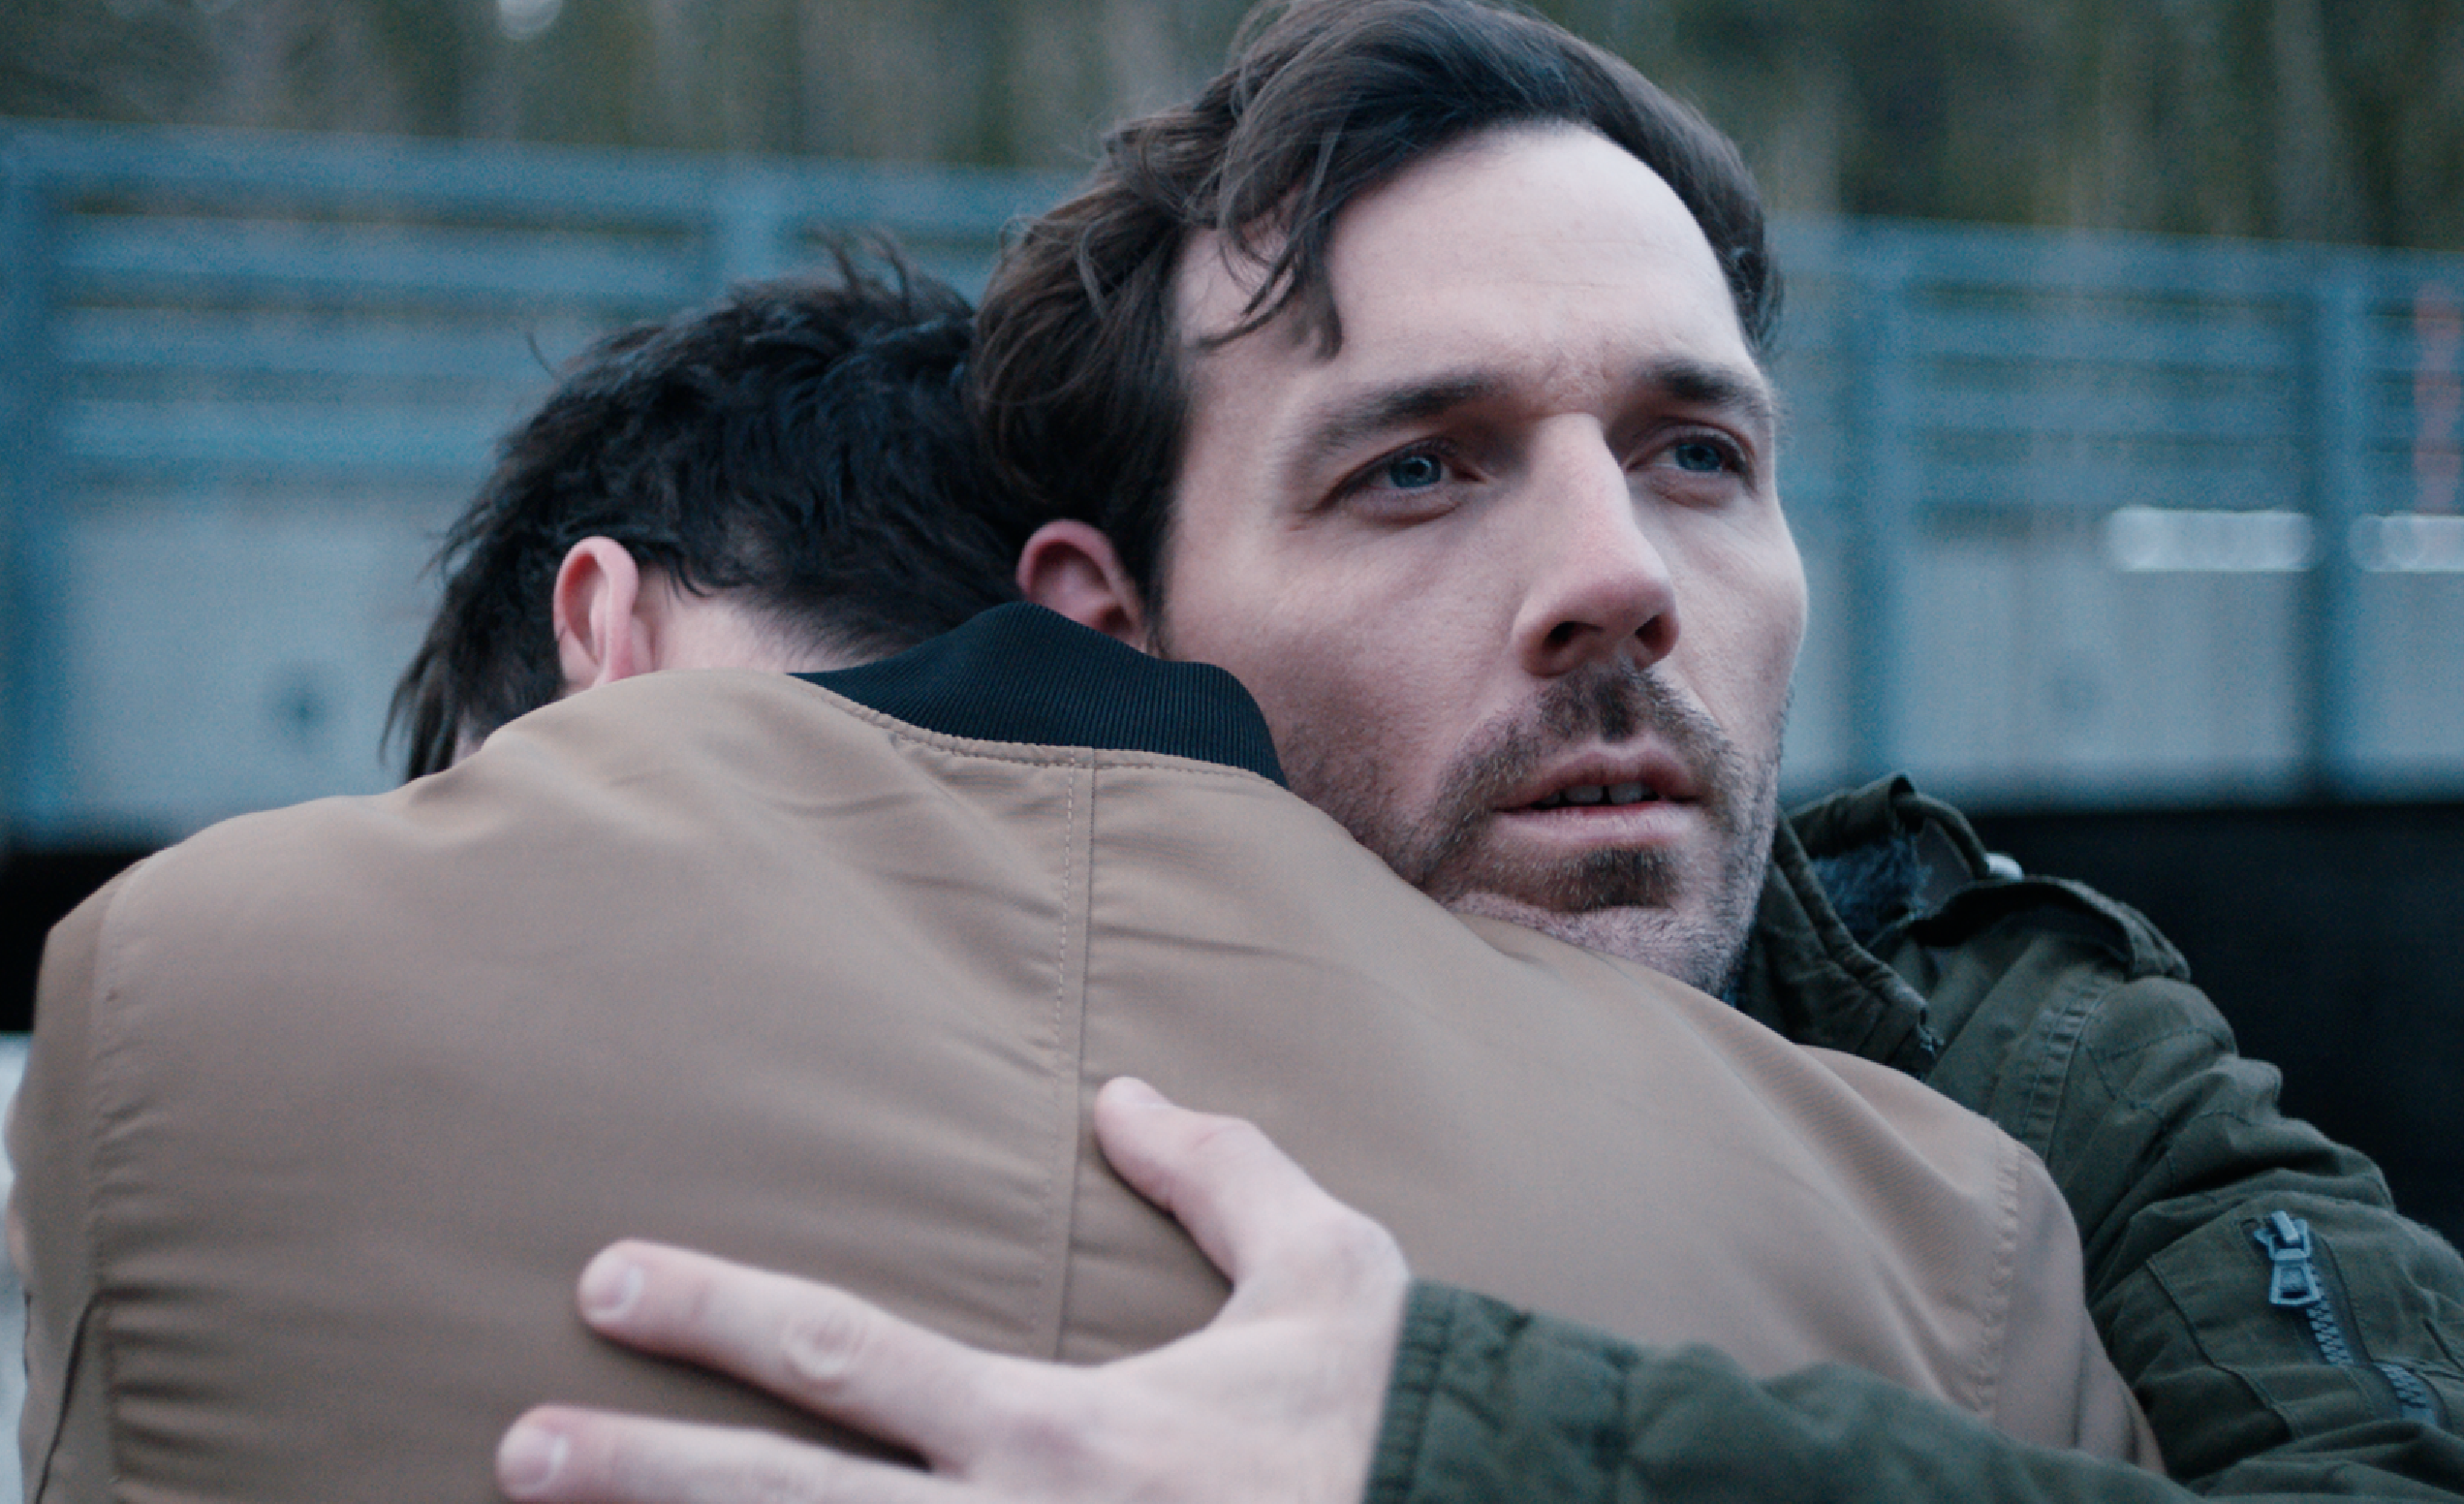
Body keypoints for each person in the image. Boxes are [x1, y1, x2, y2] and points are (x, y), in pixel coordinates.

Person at [493, 2, 2464, 1501]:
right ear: (1113, 627)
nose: (1620, 578)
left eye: (1696, 454)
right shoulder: (933, 1075)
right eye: (1420, 469)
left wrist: (1441, 1441)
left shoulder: (2037, 1061)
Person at [5, 251, 2157, 1504]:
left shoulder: (183, 1001)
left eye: (1697, 451)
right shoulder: (1942, 1215)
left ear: (601, 629)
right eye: (1428, 466)